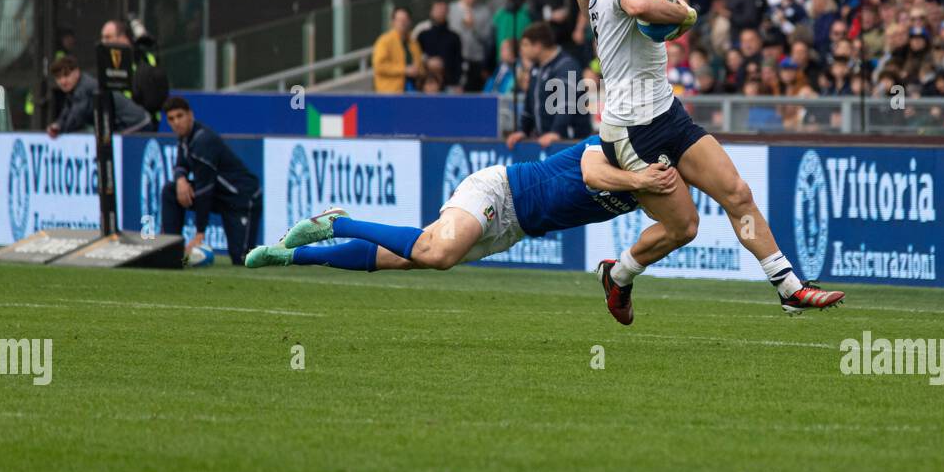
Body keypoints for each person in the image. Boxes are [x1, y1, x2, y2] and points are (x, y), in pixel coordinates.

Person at [572, 0, 846, 322]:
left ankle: (790, 288)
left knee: (737, 193)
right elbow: (636, 4)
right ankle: (620, 274)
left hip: (668, 113)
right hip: (632, 131)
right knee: (684, 228)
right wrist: (686, 15)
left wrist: (596, 23)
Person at [244, 135, 681, 273]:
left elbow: (672, 224)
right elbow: (590, 172)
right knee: (439, 254)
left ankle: (292, 255)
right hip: (499, 192)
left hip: (514, 230)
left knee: (403, 259)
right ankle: (338, 223)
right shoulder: (618, 144)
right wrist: (639, 178)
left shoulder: (657, 181)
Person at [161, 96, 263, 265]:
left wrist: (200, 233)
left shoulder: (203, 141)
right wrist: (180, 180)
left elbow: (204, 191)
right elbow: (180, 164)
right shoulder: (185, 138)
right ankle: (171, 252)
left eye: (180, 116)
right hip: (220, 195)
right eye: (171, 119)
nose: (176, 122)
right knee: (171, 191)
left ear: (190, 115)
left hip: (243, 199)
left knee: (243, 259)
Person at [504, 22, 587, 148]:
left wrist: (556, 132)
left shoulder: (566, 66)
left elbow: (566, 105)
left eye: (525, 44)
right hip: (545, 142)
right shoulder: (536, 69)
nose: (521, 50)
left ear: (538, 46)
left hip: (569, 144)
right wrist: (522, 131)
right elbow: (529, 105)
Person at [46, 55, 151, 137]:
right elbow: (68, 110)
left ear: (77, 72)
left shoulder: (84, 88)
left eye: (66, 75)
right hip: (128, 124)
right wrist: (58, 125)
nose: (63, 81)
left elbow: (76, 119)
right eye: (58, 78)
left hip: (135, 124)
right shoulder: (75, 88)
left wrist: (59, 130)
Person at [372, 6, 424, 93]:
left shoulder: (413, 43)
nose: (402, 23)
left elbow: (419, 65)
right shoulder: (384, 41)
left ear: (410, 22)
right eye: (399, 20)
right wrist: (405, 70)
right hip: (391, 92)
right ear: (392, 22)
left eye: (405, 20)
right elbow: (379, 66)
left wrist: (418, 70)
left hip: (412, 89)